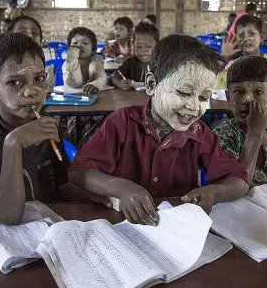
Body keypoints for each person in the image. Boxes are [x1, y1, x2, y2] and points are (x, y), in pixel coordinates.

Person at [69, 34, 249, 225]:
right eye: (184, 93)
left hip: (175, 231)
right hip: (124, 226)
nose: (194, 106)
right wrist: (122, 188)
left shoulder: (199, 134)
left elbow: (240, 181)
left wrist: (214, 193)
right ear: (152, 84)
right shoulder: (122, 123)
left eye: (203, 97)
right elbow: (80, 172)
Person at [0, 33, 100, 225]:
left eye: (39, 78)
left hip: (51, 227)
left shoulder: (47, 128)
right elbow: (10, 216)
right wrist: (13, 144)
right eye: (14, 82)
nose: (32, 91)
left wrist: (89, 196)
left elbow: (62, 185)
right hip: (12, 241)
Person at [214, 56, 267, 187]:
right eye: (239, 91)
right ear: (228, 97)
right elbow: (233, 188)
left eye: (258, 92)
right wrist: (254, 132)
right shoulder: (221, 136)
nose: (247, 100)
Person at [214, 15, 267, 89]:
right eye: (241, 35)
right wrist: (222, 58)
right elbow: (216, 87)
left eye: (251, 34)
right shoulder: (233, 66)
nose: (246, 38)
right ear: (237, 40)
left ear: (261, 37)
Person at [8, 15, 55, 95]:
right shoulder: (3, 65)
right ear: (9, 36)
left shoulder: (45, 67)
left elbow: (48, 91)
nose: (30, 36)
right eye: (22, 32)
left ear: (41, 39)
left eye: (34, 33)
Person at [110, 22, 158, 91]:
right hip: (133, 100)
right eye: (139, 46)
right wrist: (120, 84)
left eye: (148, 46)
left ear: (157, 46)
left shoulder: (162, 64)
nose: (143, 50)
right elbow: (113, 77)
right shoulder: (130, 63)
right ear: (133, 45)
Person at [63, 27, 110, 94]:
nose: (79, 46)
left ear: (93, 49)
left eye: (85, 43)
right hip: (73, 98)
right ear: (69, 48)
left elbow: (102, 77)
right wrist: (72, 56)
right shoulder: (67, 65)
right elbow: (75, 83)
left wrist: (95, 84)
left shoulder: (97, 60)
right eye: (75, 43)